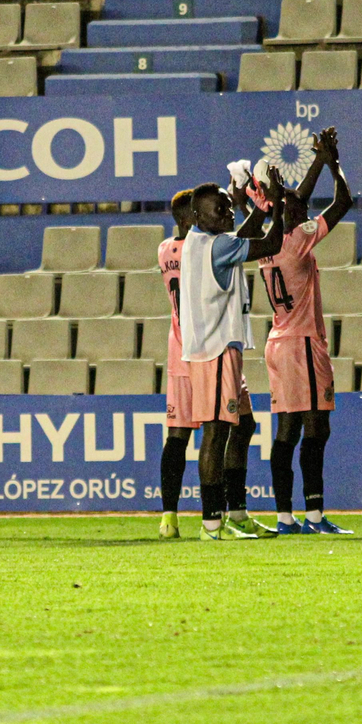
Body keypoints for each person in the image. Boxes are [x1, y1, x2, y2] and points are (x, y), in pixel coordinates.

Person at [179, 168, 286, 541]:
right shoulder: (217, 246)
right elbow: (270, 245)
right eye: (219, 210)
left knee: (243, 428)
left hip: (222, 348)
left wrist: (255, 208)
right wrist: (279, 208)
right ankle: (212, 523)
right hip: (215, 350)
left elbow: (239, 235)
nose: (227, 215)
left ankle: (237, 513)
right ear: (197, 216)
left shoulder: (199, 240)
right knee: (217, 431)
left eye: (228, 208)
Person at [257, 129, 354, 535]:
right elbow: (343, 202)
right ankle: (314, 516)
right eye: (300, 205)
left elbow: (293, 200)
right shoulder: (298, 241)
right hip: (302, 343)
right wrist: (333, 164)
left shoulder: (265, 243)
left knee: (287, 430)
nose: (306, 206)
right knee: (316, 427)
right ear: (293, 214)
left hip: (278, 342)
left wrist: (319, 157)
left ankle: (284, 517)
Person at [156, 189, 197, 540]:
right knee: (230, 427)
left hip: (177, 348)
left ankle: (169, 518)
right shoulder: (199, 250)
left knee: (178, 436)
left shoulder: (164, 250)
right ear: (187, 218)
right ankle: (226, 515)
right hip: (202, 349)